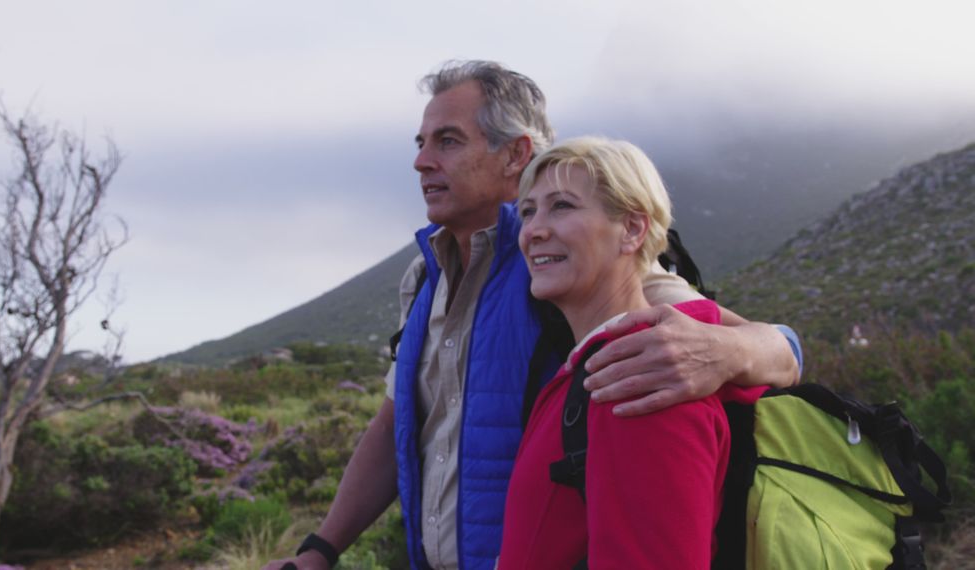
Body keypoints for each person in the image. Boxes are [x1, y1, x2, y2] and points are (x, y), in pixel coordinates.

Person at [264, 60, 801, 570]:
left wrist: (730, 350)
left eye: (448, 141)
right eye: (421, 143)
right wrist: (320, 547)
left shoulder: (575, 265)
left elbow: (764, 347)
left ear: (516, 153)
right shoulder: (426, 279)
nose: (422, 161)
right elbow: (396, 424)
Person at [499, 137, 763, 569]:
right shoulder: (595, 366)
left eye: (562, 206)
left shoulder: (640, 376)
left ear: (632, 230)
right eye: (528, 211)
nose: (534, 230)